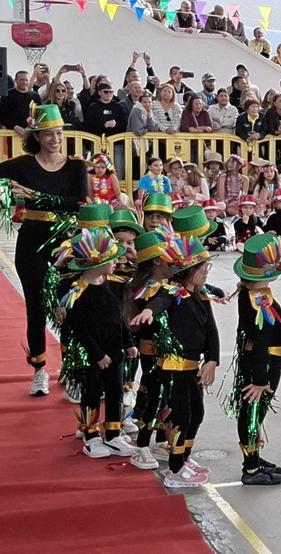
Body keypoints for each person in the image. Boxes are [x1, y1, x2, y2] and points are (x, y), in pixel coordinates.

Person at [0, 105, 88, 396]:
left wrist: (37, 197)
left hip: (65, 244)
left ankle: (70, 368)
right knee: (36, 307)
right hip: (31, 242)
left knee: (70, 306)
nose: (55, 139)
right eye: (48, 134)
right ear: (36, 136)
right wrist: (8, 199)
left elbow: (80, 203)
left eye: (59, 133)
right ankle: (39, 370)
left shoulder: (76, 167)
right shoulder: (22, 165)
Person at [129, 234, 219, 488]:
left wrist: (212, 360)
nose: (206, 271)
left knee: (197, 414)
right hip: (173, 368)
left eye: (207, 266)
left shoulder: (201, 296)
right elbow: (160, 301)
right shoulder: (172, 292)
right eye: (202, 267)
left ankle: (184, 457)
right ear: (187, 271)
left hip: (192, 367)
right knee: (180, 416)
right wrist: (149, 310)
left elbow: (211, 331)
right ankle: (175, 469)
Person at [62, 227, 136, 458]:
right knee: (91, 393)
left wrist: (129, 343)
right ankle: (91, 434)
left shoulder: (112, 284)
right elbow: (79, 329)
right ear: (97, 263)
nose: (117, 262)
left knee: (115, 391)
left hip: (115, 351)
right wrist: (97, 354)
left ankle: (113, 433)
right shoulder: (79, 292)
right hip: (94, 354)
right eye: (112, 259)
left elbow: (120, 318)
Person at [227, 235, 281, 486]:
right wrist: (261, 379)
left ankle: (253, 457)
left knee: (254, 412)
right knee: (253, 412)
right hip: (263, 363)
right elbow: (261, 338)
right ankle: (251, 468)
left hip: (262, 360)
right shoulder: (256, 298)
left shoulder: (253, 293)